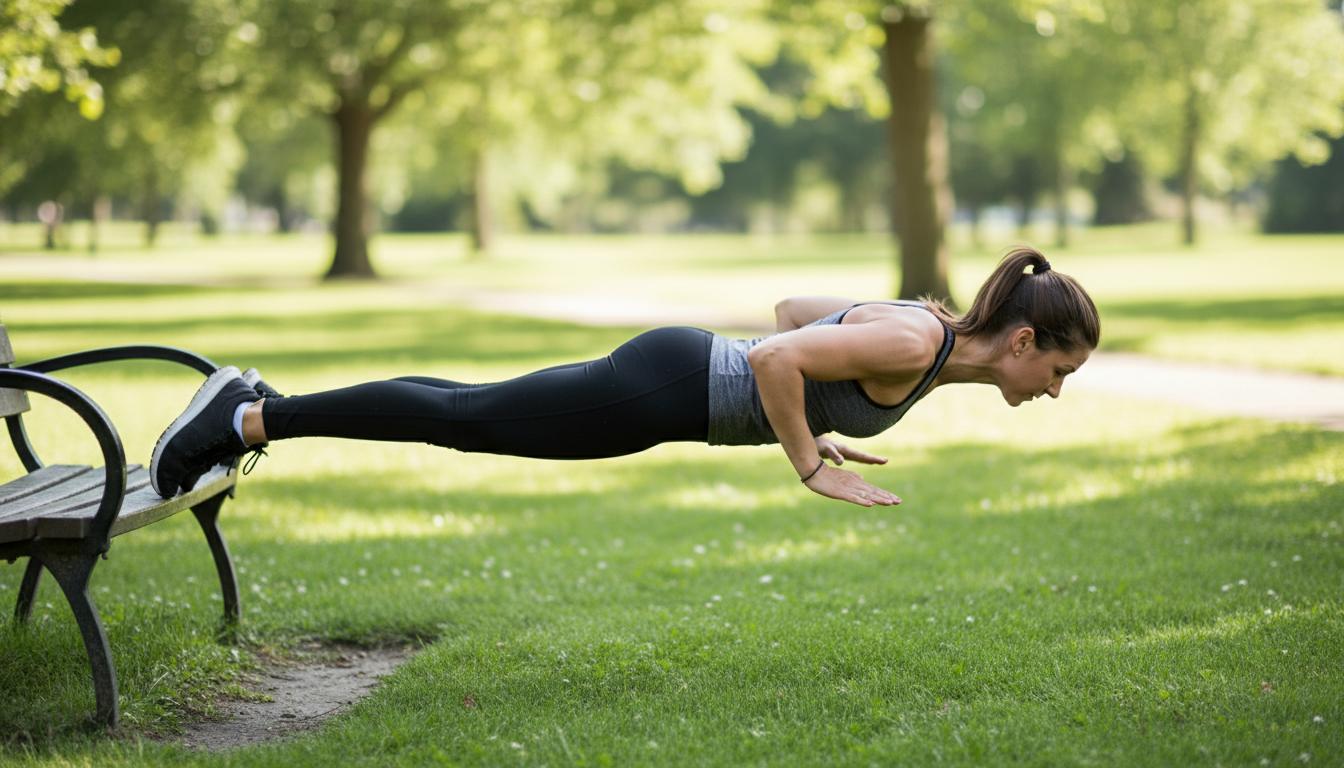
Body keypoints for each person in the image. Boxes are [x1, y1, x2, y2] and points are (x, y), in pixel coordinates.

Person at [151, 247, 1099, 507]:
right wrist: (808, 461)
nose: (1055, 390)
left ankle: (255, 412)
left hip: (671, 370)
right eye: (1058, 369)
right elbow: (775, 354)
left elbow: (789, 317)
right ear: (1022, 343)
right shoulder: (915, 347)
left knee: (462, 408)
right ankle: (247, 417)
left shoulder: (921, 330)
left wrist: (804, 420)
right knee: (462, 417)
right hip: (664, 387)